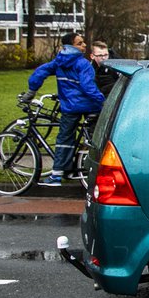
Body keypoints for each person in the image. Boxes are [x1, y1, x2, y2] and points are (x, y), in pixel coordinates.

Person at [25, 32, 105, 186]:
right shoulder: (82, 64)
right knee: (94, 137)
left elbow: (40, 72)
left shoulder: (58, 62)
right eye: (80, 43)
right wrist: (102, 100)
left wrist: (31, 91)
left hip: (69, 107)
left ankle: (57, 175)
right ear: (71, 46)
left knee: (64, 139)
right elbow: (88, 87)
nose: (84, 45)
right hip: (88, 106)